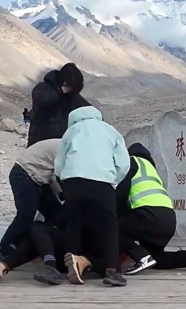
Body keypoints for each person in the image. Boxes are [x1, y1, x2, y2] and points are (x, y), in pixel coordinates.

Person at [55, 106, 130, 287]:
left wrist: (65, 180)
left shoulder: (71, 131)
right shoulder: (111, 131)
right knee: (109, 227)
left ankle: (73, 264)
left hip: (73, 182)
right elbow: (124, 164)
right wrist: (113, 181)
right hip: (102, 183)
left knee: (74, 225)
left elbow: (59, 164)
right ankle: (112, 270)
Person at [116, 143, 186, 275]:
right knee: (156, 258)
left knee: (111, 228)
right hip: (169, 220)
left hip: (148, 216)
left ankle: (140, 255)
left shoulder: (131, 162)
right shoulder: (152, 172)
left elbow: (121, 195)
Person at [0, 139, 64, 265]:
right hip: (24, 175)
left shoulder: (67, 144)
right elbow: (61, 176)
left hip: (38, 178)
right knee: (26, 215)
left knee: (56, 214)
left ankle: (43, 247)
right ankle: (1, 251)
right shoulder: (69, 150)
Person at [27, 63, 90, 147]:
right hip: (38, 142)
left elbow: (86, 109)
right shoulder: (43, 88)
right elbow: (43, 100)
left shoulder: (72, 96)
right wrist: (60, 91)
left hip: (60, 145)